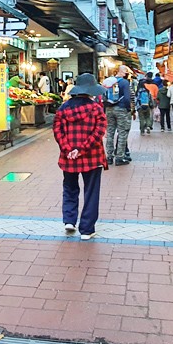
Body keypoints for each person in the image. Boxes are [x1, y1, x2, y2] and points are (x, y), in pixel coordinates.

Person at [52, 73, 108, 240]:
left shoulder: (63, 109)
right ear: (91, 90)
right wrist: (82, 149)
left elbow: (57, 131)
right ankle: (87, 229)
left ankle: (69, 220)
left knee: (69, 188)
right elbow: (99, 132)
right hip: (92, 157)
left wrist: (69, 149)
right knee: (91, 192)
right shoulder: (96, 109)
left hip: (68, 158)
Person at [103, 65, 133, 165]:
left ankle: (109, 157)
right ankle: (119, 157)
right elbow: (127, 98)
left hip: (109, 109)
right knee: (122, 133)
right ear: (122, 71)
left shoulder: (108, 81)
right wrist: (129, 109)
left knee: (110, 133)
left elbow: (103, 96)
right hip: (121, 109)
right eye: (126, 71)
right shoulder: (124, 82)